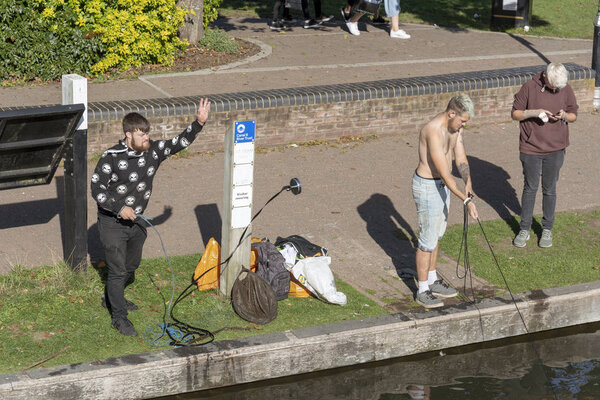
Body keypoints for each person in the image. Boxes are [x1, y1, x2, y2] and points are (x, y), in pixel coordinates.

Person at [91, 99, 211, 336]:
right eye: (141, 135)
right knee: (117, 271)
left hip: (138, 221)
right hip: (112, 221)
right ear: (128, 135)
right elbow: (97, 189)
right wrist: (118, 207)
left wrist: (198, 123)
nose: (147, 138)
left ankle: (111, 298)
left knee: (131, 266)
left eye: (147, 134)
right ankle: (119, 317)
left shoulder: (153, 151)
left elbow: (178, 143)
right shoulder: (111, 157)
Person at [412, 94, 478, 308]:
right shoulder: (433, 131)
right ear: (451, 113)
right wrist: (466, 201)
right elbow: (445, 174)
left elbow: (460, 158)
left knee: (437, 235)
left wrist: (468, 183)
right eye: (462, 120)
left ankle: (433, 279)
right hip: (428, 186)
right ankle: (422, 289)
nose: (464, 125)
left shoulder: (455, 129)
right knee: (426, 241)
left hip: (442, 186)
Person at [511, 62, 578, 249]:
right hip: (531, 148)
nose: (556, 89)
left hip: (556, 149)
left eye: (559, 87)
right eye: (554, 86)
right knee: (530, 188)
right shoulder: (529, 87)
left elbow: (574, 114)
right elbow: (515, 113)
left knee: (549, 189)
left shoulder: (565, 88)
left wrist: (564, 115)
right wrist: (535, 112)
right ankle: (524, 228)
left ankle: (547, 229)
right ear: (546, 78)